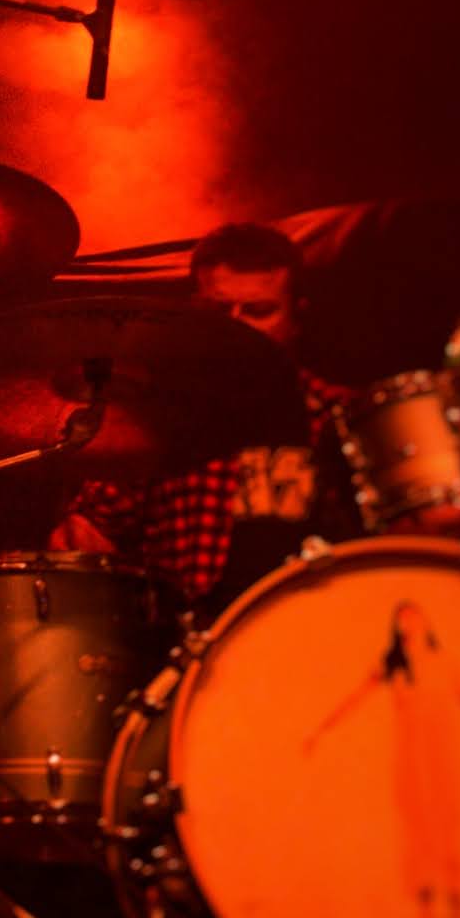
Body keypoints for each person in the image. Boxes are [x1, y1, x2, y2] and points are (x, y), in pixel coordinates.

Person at [53, 220, 345, 622]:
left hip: (312, 631)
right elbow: (90, 528)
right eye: (220, 310)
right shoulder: (161, 416)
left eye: (259, 311)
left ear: (297, 316)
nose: (237, 327)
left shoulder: (336, 414)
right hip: (183, 641)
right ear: (195, 311)